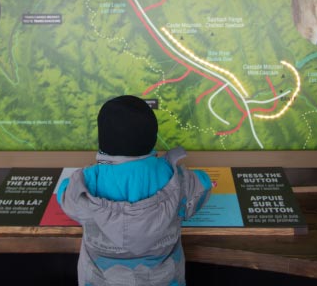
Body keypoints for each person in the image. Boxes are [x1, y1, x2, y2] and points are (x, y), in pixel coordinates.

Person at [57, 95, 212, 286]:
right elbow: (203, 185)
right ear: (152, 136)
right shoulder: (177, 179)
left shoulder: (88, 181)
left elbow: (64, 194)